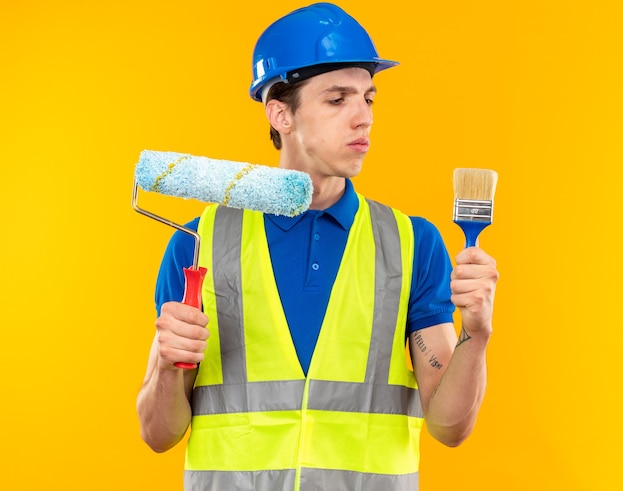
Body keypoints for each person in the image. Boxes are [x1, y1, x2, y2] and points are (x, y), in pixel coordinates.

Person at [136, 3, 499, 490]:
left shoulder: (412, 243)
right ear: (280, 113)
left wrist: (476, 334)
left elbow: (449, 427)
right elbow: (158, 434)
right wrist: (167, 362)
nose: (363, 118)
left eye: (369, 99)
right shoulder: (196, 244)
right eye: (337, 99)